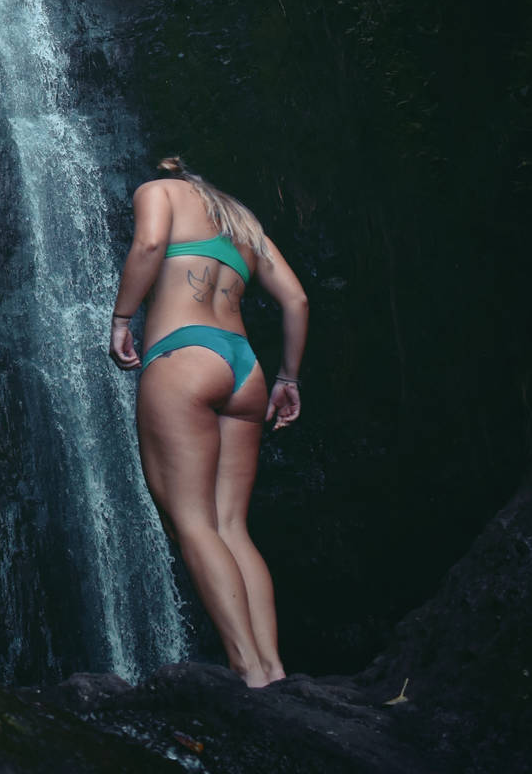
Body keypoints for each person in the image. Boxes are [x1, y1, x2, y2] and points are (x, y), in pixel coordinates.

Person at [108, 155, 308, 687]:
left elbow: (149, 246)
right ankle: (274, 669)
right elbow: (296, 299)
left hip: (183, 356)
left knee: (193, 523)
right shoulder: (243, 222)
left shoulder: (160, 192)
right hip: (245, 369)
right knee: (231, 527)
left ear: (173, 167)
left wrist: (122, 318)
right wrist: (289, 379)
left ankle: (247, 671)